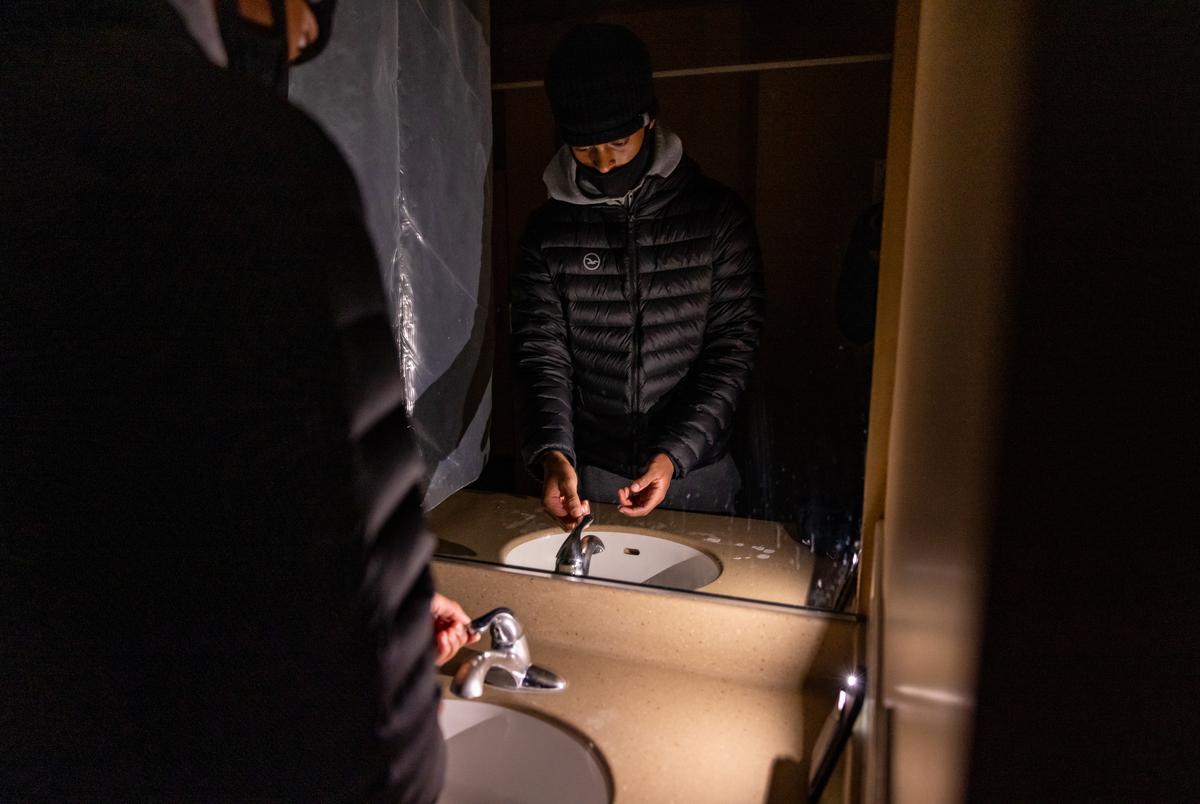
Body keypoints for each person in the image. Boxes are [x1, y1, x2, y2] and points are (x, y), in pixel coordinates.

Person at [1, 1, 470, 799]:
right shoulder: (253, 162)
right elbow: (368, 719)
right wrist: (373, 623)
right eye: (293, 31)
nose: (287, 60)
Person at [511, 24, 766, 528]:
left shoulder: (716, 217)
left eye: (618, 142)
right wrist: (553, 455)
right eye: (585, 149)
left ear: (648, 121)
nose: (604, 165)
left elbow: (734, 347)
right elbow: (540, 352)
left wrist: (674, 453)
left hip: (699, 471)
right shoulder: (547, 232)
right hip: (590, 476)